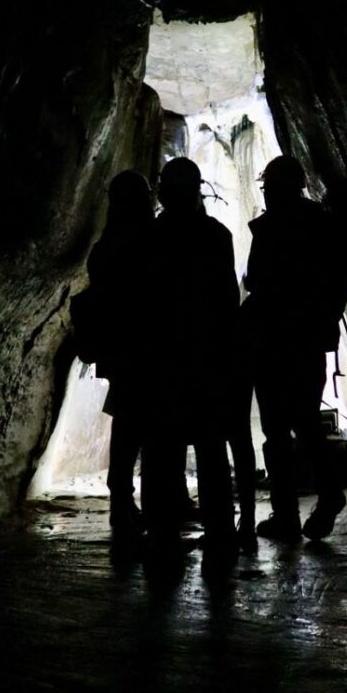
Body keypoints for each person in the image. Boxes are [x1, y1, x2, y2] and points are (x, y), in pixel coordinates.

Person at [242, 155, 347, 542]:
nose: (267, 194)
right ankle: (323, 496)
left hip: (274, 340)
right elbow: (338, 284)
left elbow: (256, 279)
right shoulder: (321, 225)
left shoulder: (272, 228)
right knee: (305, 423)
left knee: (276, 429)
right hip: (307, 340)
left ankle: (286, 515)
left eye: (268, 187)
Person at [145, 157, 239, 572]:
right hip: (206, 357)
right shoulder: (217, 235)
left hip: (165, 358)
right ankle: (220, 532)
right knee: (210, 448)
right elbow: (226, 302)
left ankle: (163, 533)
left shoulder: (152, 235)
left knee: (163, 449)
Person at [85, 170, 155, 540]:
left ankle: (122, 502)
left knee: (127, 424)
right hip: (148, 348)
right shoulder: (148, 239)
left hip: (122, 350)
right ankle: (134, 503)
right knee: (143, 426)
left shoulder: (109, 242)